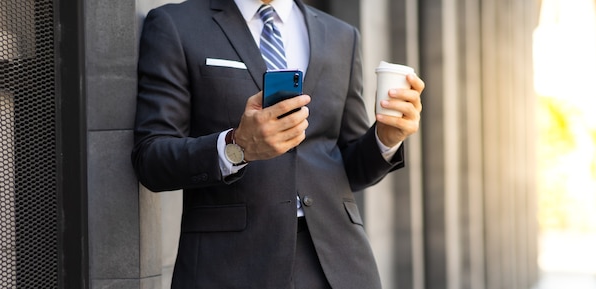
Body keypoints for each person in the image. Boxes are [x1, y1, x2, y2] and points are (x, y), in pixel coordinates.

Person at [131, 0, 424, 288]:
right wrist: (236, 147)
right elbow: (151, 158)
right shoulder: (177, 24)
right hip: (229, 264)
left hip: (338, 264)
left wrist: (385, 139)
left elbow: (350, 168)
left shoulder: (342, 35)